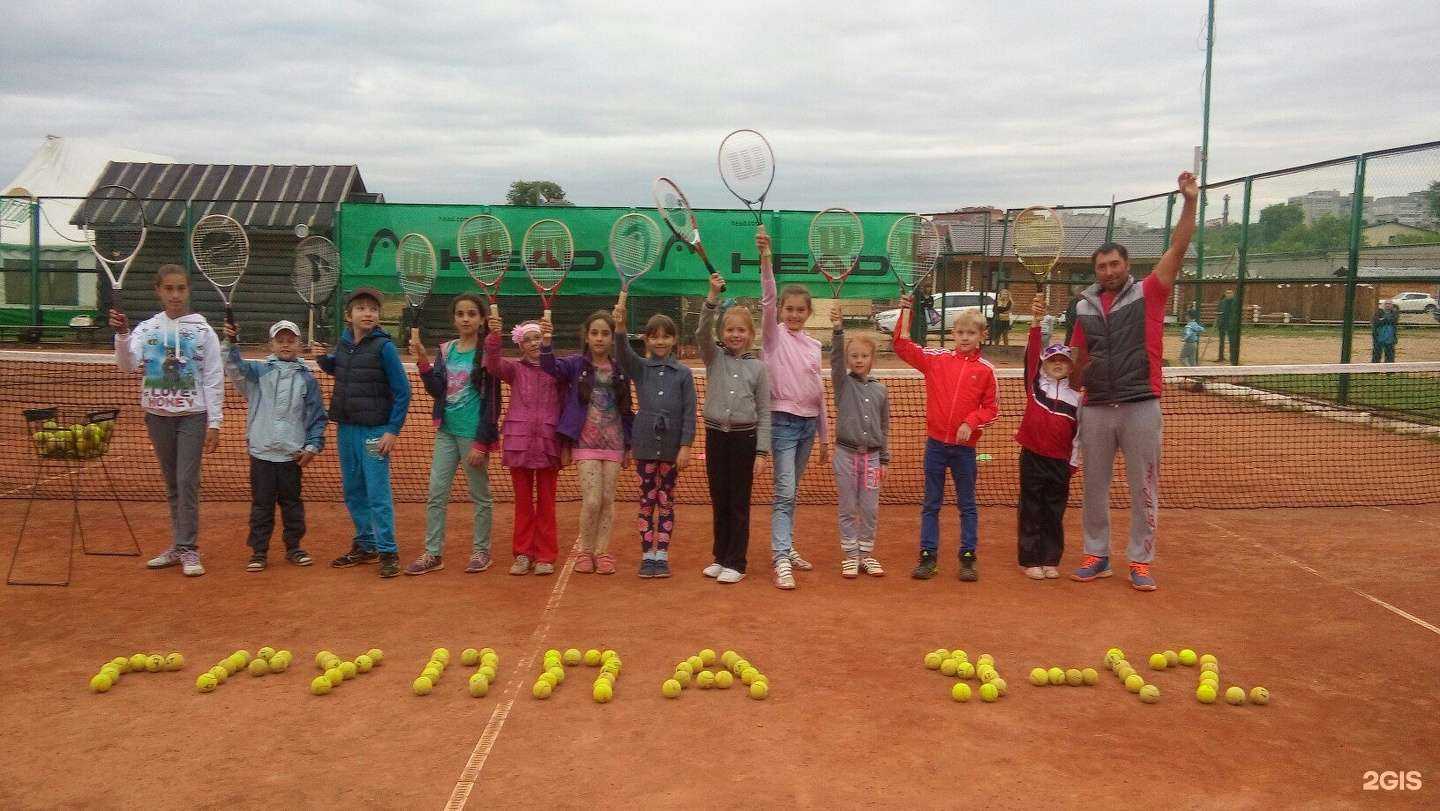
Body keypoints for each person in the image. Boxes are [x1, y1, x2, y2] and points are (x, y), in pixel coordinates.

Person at [1068, 171, 1199, 592]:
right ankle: (1097, 554)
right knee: (1094, 487)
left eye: (1114, 264)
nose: (1108, 271)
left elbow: (1178, 249)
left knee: (1143, 485)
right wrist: (1070, 385)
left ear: (1127, 266)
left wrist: (1190, 202)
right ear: (1095, 271)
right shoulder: (1083, 306)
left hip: (1141, 403)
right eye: (1102, 266)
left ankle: (1140, 560)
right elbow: (1076, 357)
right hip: (1097, 407)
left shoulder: (1151, 292)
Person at [109, 264, 223, 577]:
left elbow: (213, 377)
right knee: (173, 484)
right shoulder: (146, 329)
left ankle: (188, 549)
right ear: (158, 291)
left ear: (188, 291)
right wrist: (122, 334)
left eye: (181, 288)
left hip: (193, 417)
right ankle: (178, 545)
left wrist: (215, 422)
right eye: (169, 288)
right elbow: (126, 365)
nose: (175, 295)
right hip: (157, 417)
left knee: (187, 482)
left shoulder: (203, 331)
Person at [893, 298, 998, 582]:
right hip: (936, 446)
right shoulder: (937, 360)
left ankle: (967, 557)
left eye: (971, 333)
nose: (965, 338)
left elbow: (992, 409)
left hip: (965, 450)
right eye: (960, 332)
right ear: (953, 334)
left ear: (981, 336)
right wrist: (905, 310)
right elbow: (902, 346)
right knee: (931, 503)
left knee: (967, 505)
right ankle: (928, 557)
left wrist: (970, 422)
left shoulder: (986, 371)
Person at [314, 287, 411, 579]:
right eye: (361, 308)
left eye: (373, 309)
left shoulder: (385, 347)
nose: (368, 313)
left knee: (377, 491)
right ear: (349, 315)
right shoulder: (344, 344)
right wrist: (324, 361)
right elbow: (348, 371)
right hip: (347, 430)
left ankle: (387, 550)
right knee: (353, 490)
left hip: (374, 433)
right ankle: (366, 544)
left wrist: (392, 430)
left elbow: (403, 391)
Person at [405, 293, 502, 576]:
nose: (466, 319)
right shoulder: (446, 351)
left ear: (482, 319)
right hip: (446, 433)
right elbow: (437, 390)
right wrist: (423, 363)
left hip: (473, 436)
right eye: (460, 314)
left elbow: (494, 401)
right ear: (454, 319)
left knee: (480, 496)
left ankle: (481, 551)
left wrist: (482, 442)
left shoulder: (487, 354)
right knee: (436, 493)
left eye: (472, 313)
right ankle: (433, 553)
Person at [223, 319, 326, 572]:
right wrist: (230, 342)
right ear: (271, 344)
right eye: (280, 341)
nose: (285, 345)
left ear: (300, 345)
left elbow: (317, 417)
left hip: (292, 457)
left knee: (292, 505)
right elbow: (234, 366)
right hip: (261, 454)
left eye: (291, 341)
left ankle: (294, 548)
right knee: (262, 506)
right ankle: (259, 552)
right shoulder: (258, 373)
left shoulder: (308, 380)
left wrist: (313, 446)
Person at [758, 228, 826, 590]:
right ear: (781, 311)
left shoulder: (815, 346)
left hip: (808, 427)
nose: (795, 314)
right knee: (784, 492)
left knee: (792, 490)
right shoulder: (773, 337)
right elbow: (767, 299)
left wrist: (825, 438)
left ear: (809, 312)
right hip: (781, 424)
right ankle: (781, 557)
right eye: (790, 309)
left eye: (801, 310)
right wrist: (766, 259)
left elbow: (818, 392)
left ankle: (787, 546)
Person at [542, 310, 634, 575]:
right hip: (584, 443)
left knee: (607, 499)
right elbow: (550, 367)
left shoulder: (620, 370)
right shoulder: (575, 365)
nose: (600, 338)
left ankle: (602, 551)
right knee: (592, 500)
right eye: (594, 333)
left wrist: (629, 445)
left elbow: (626, 409)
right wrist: (547, 340)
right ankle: (585, 551)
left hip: (614, 444)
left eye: (605, 333)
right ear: (587, 336)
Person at [612, 305, 695, 579]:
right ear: (646, 339)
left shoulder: (683, 373)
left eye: (666, 336)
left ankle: (663, 555)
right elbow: (623, 353)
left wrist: (685, 446)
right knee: (647, 500)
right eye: (654, 336)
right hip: (645, 444)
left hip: (671, 448)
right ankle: (648, 555)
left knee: (666, 501)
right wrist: (621, 326)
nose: (660, 341)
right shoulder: (641, 368)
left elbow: (689, 412)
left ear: (674, 340)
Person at [698, 272, 771, 584]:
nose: (735, 334)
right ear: (723, 332)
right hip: (716, 437)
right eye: (730, 329)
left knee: (739, 502)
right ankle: (720, 556)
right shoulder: (713, 357)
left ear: (751, 334)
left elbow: (765, 412)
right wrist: (712, 297)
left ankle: (737, 562)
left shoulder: (758, 368)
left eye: (741, 330)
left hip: (744, 441)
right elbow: (702, 332)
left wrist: (761, 452)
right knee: (719, 499)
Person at [484, 311, 564, 576]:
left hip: (548, 444)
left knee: (546, 503)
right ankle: (522, 554)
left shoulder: (557, 370)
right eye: (527, 339)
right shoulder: (514, 369)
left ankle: (545, 556)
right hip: (518, 443)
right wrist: (494, 336)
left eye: (538, 338)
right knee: (522, 502)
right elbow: (492, 363)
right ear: (519, 344)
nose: (533, 343)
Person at [1015, 294, 1079, 580]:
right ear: (1043, 363)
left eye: (1063, 360)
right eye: (1052, 359)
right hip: (1032, 456)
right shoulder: (1034, 384)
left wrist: (1073, 464)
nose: (1058, 363)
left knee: (1054, 511)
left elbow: (1082, 437)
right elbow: (1031, 353)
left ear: (1070, 366)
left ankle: (1050, 558)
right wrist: (1036, 322)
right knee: (1030, 507)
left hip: (1060, 463)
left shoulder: (1077, 397)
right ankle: (1030, 559)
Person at [829, 306, 890, 577]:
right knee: (847, 506)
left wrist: (884, 458)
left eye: (864, 356)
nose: (859, 360)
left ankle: (866, 554)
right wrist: (838, 329)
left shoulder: (880, 389)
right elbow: (834, 360)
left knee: (869, 508)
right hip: (845, 456)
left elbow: (884, 426)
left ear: (872, 359)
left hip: (873, 459)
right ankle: (850, 555)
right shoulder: (842, 383)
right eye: (853, 356)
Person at [1215, 289, 1236, 361]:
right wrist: (1218, 322)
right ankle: (1221, 357)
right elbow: (1218, 312)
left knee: (1232, 342)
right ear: (1225, 294)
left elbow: (1236, 314)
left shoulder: (1235, 302)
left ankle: (1232, 357)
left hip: (1231, 325)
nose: (1229, 294)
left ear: (1233, 294)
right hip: (1222, 324)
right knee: (1221, 342)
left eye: (1230, 293)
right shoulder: (1222, 302)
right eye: (1227, 293)